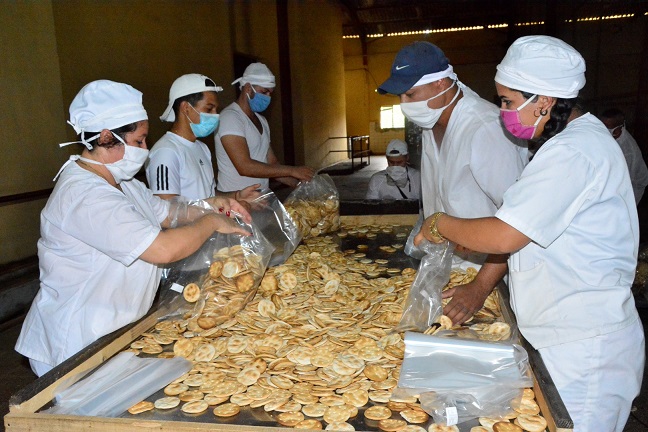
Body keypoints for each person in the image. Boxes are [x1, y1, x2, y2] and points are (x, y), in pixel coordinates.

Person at [415, 36, 645, 432]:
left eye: (507, 101)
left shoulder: (574, 152)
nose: (503, 111)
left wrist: (438, 223)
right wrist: (479, 283)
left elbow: (505, 234)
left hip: (583, 348)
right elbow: (526, 230)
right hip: (559, 334)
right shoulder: (566, 144)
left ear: (544, 100)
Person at [15, 80, 251, 377]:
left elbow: (168, 213)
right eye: (139, 141)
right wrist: (213, 222)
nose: (145, 149)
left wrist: (213, 204)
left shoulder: (123, 184)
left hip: (112, 331)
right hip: (76, 343)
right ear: (105, 137)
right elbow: (162, 249)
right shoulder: (85, 196)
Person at [378, 41, 528, 323]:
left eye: (410, 94)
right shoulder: (431, 122)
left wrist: (480, 287)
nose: (405, 105)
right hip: (450, 269)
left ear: (441, 84)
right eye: (401, 96)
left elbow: (520, 224)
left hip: (487, 276)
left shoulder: (485, 130)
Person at [146, 73, 259, 202]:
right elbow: (168, 211)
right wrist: (209, 208)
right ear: (186, 108)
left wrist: (236, 197)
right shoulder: (166, 152)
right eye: (209, 109)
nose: (215, 115)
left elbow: (209, 196)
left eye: (216, 110)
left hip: (209, 222)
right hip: (192, 223)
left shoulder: (202, 148)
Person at [215, 62, 315, 193]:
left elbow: (272, 164)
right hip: (236, 201)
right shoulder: (230, 118)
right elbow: (244, 166)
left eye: (270, 93)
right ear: (248, 89)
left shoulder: (261, 121)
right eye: (264, 92)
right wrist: (292, 170)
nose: (268, 97)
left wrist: (300, 185)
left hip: (261, 199)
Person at [600, 108, 648, 203]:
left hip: (633, 185)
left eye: (607, 127)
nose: (603, 129)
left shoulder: (628, 151)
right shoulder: (611, 137)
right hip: (622, 178)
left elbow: (626, 182)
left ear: (618, 128)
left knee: (625, 208)